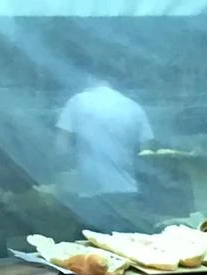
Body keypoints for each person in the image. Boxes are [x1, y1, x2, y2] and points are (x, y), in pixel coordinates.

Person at [56, 78, 155, 233]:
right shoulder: (133, 106)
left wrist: (67, 176)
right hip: (126, 191)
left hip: (90, 191)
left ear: (90, 78)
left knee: (89, 242)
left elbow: (61, 147)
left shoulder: (77, 102)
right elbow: (147, 153)